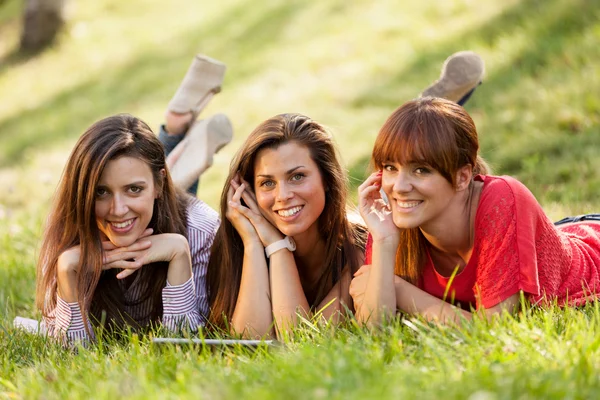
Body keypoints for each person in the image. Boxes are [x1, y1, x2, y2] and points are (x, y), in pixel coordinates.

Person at [205, 51, 486, 338]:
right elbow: (249, 341)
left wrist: (278, 248)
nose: (283, 195)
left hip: (385, 215)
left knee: (401, 175)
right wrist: (258, 244)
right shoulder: (237, 245)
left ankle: (430, 112)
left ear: (327, 179)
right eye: (267, 183)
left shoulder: (357, 248)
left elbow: (303, 341)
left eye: (297, 176)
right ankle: (427, 110)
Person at [34, 54, 233, 344]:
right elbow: (70, 352)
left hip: (174, 209)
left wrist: (179, 253)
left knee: (174, 208)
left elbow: (185, 345)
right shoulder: (66, 228)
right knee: (141, 188)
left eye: (133, 190)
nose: (117, 210)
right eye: (100, 192)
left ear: (159, 184)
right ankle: (175, 135)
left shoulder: (202, 230)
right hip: (159, 196)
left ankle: (174, 134)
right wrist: (68, 269)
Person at [351, 97, 600, 325]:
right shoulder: (391, 218)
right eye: (390, 167)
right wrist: (384, 241)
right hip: (563, 230)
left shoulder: (503, 199)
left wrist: (400, 290)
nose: (399, 187)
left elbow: (493, 327)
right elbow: (374, 329)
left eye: (421, 170)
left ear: (463, 177)